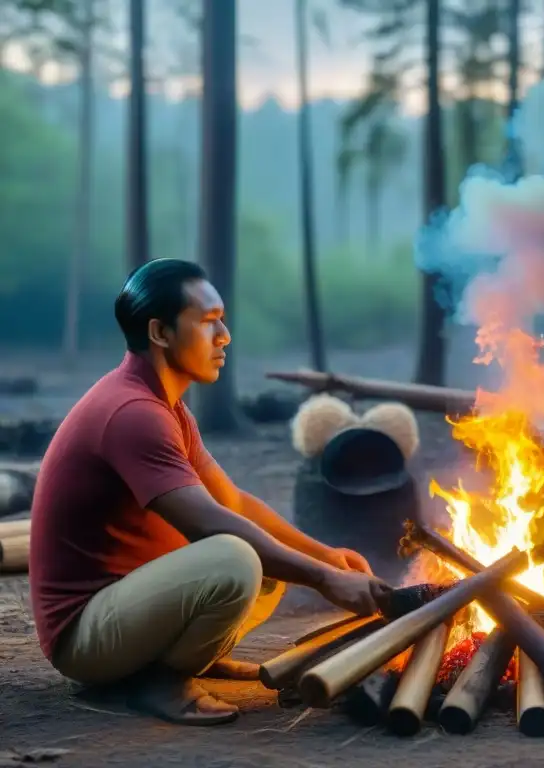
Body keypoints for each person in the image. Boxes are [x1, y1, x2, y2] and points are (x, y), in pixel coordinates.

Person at [29, 259, 392, 726]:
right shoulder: (132, 413)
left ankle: (187, 656)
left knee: (267, 558)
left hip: (127, 608)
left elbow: (233, 503)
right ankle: (161, 680)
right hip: (84, 636)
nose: (224, 335)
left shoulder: (168, 407)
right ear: (160, 333)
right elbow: (208, 522)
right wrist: (324, 581)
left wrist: (326, 558)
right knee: (237, 557)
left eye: (221, 318)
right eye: (206, 321)